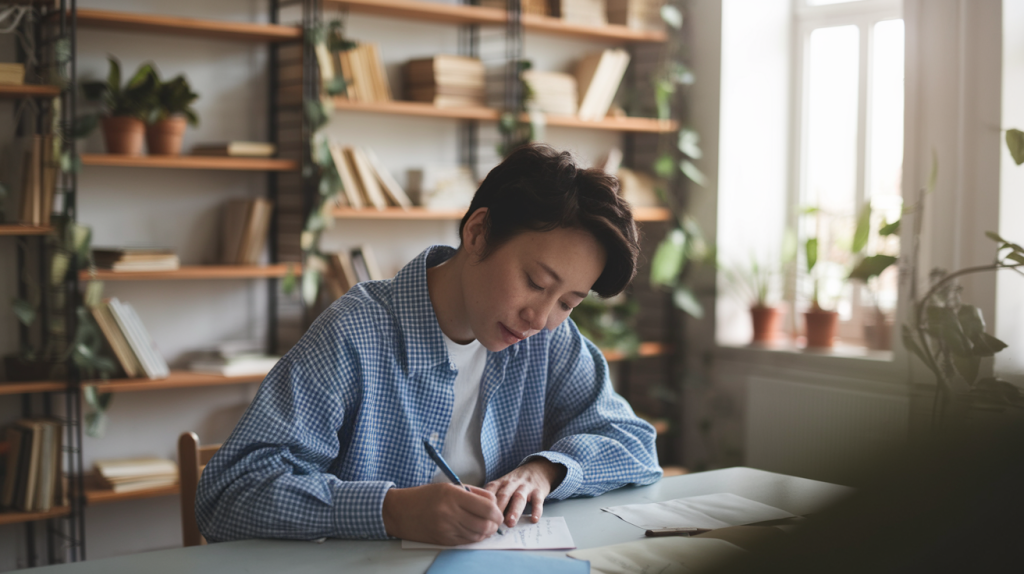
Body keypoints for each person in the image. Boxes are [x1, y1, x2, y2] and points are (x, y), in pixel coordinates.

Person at [196, 144, 662, 546]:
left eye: (568, 302)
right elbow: (227, 496)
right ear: (478, 233)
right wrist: (390, 511)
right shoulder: (355, 334)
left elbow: (634, 444)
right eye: (535, 282)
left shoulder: (549, 341)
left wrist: (544, 470)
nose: (540, 318)